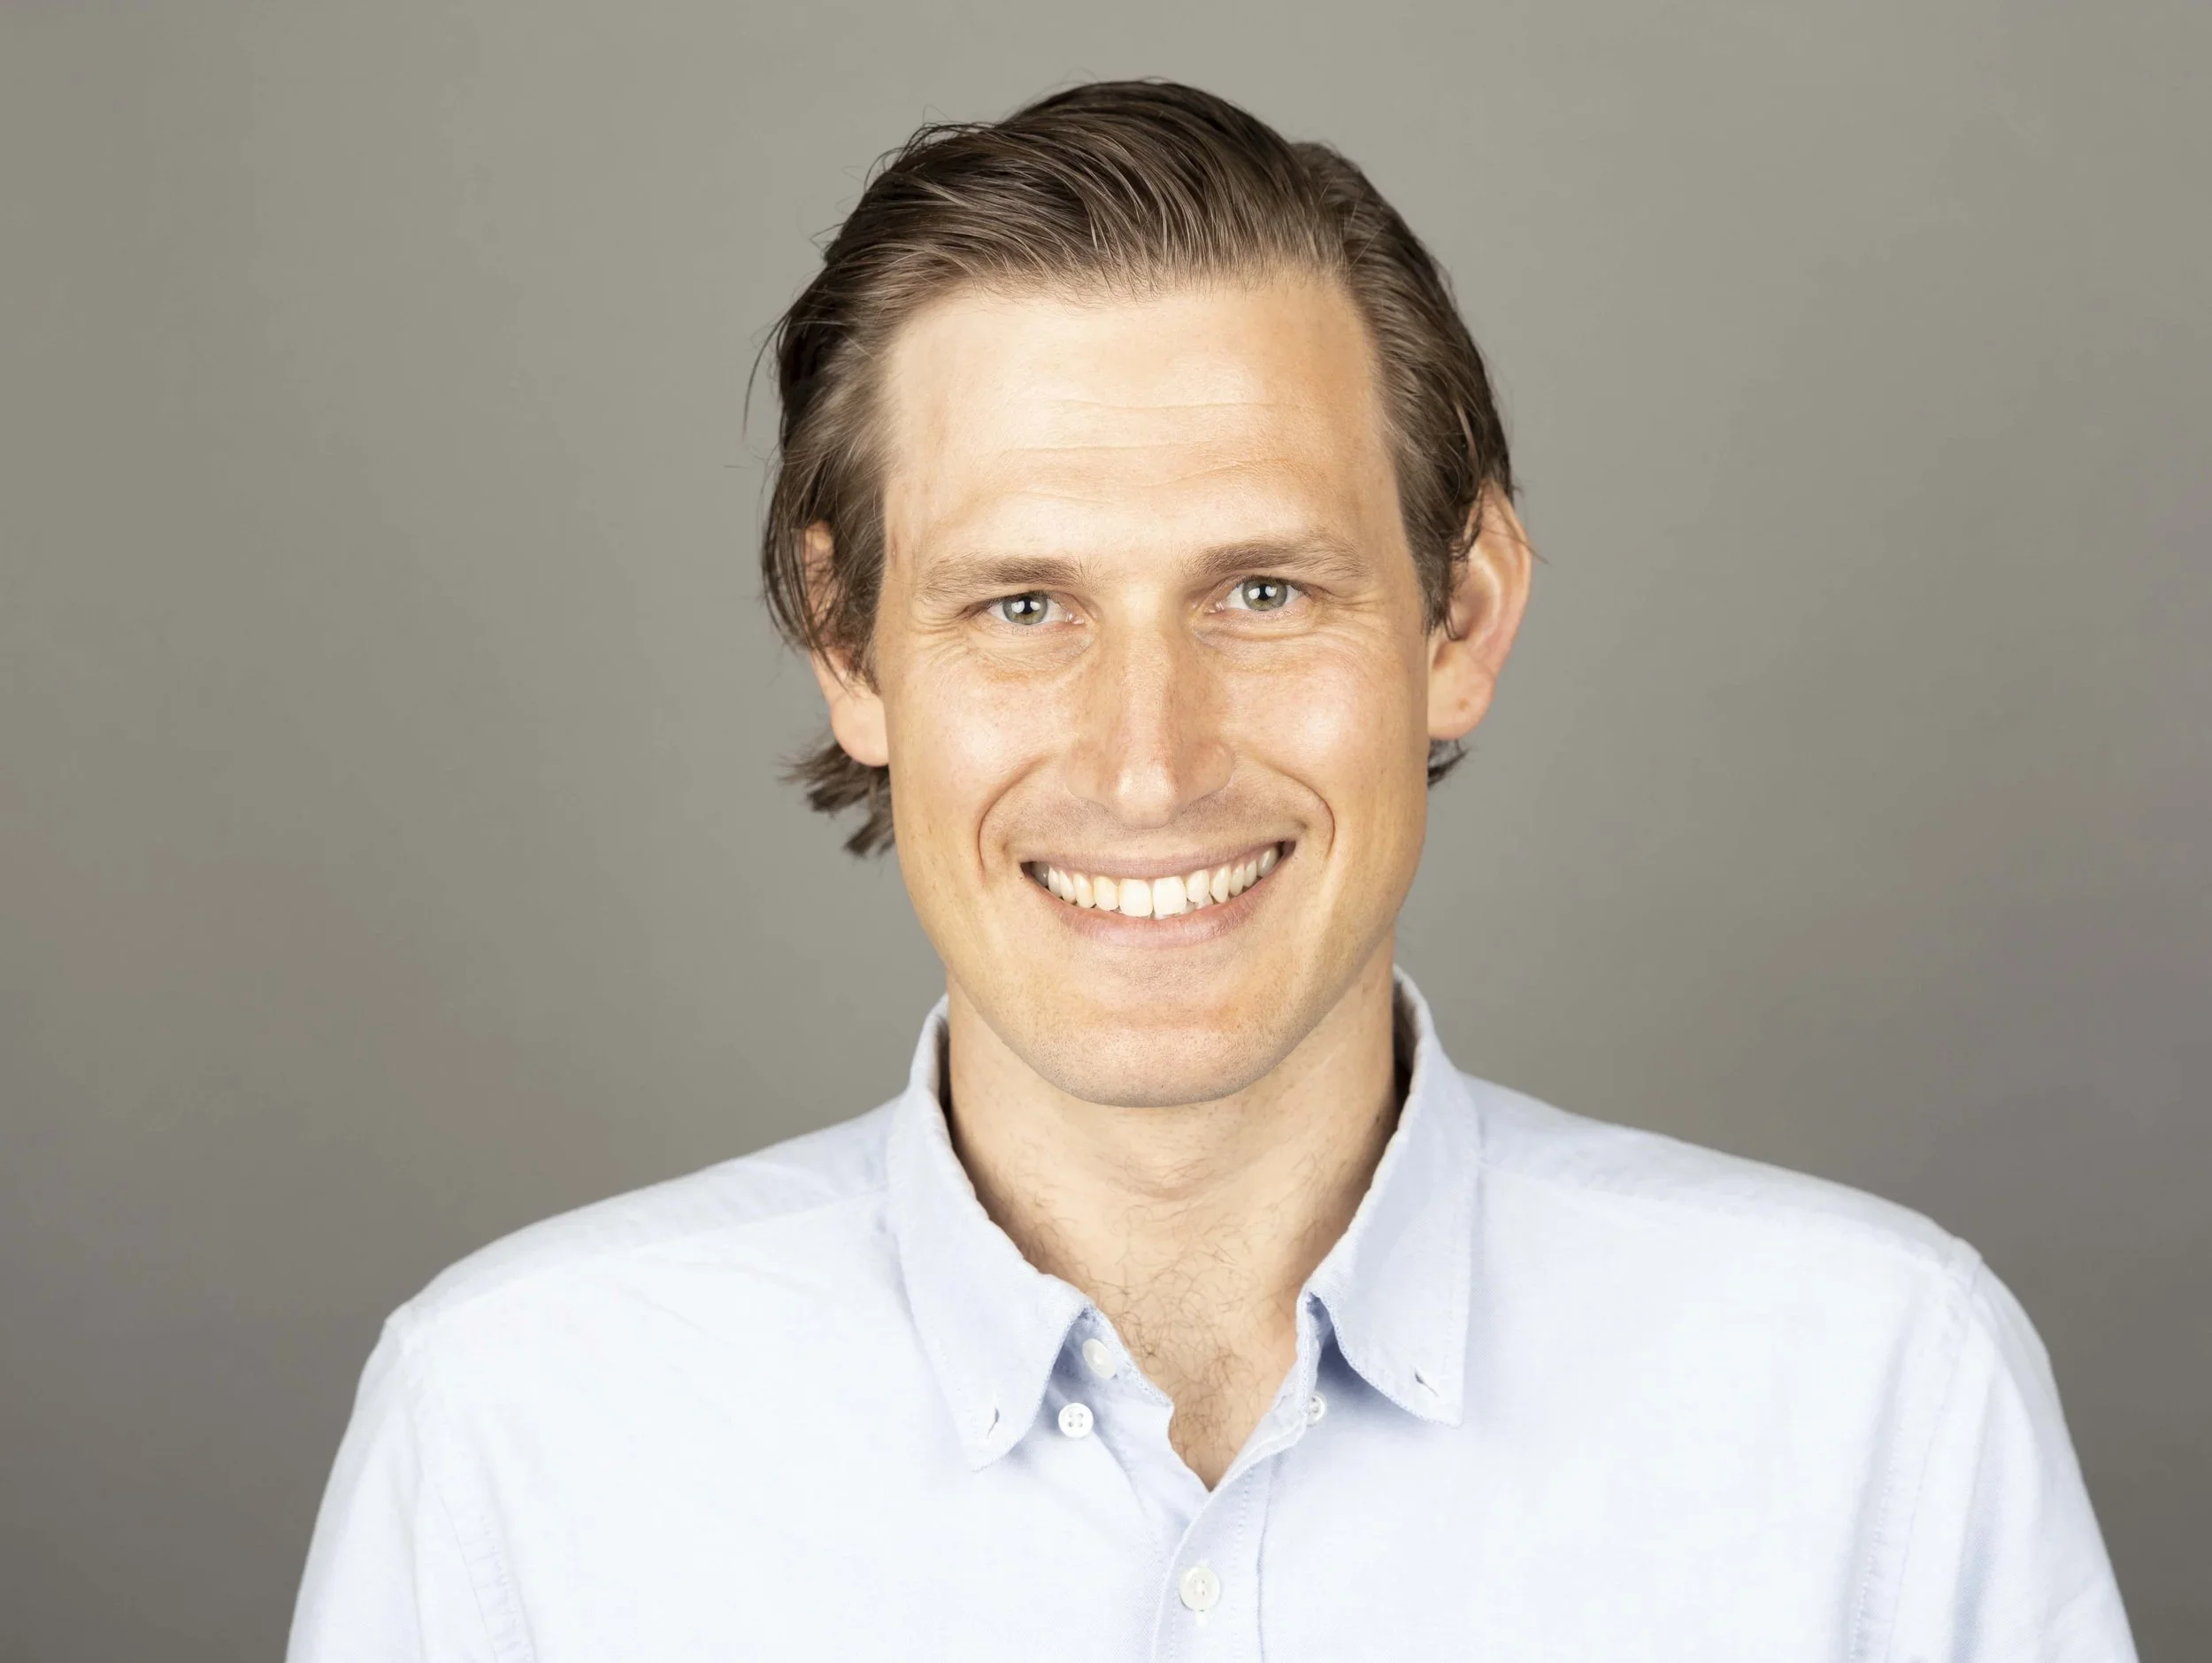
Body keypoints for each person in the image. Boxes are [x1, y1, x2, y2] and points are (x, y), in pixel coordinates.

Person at [288, 80, 2137, 1660]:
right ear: (848, 648)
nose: (1148, 763)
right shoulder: (514, 1434)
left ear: (1462, 617)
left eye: (1261, 589)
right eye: (1023, 605)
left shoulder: (1881, 1400)